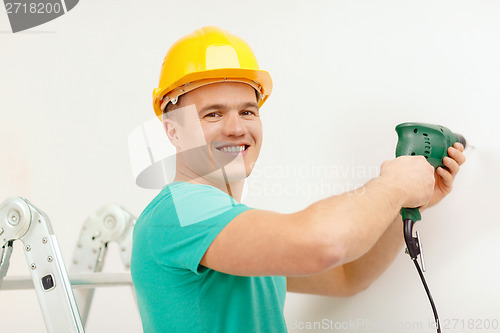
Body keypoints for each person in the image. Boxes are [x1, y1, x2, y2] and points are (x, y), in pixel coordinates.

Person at [130, 26, 466, 333]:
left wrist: (406, 203)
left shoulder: (234, 229)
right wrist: (394, 185)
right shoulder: (179, 213)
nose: (236, 127)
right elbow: (324, 243)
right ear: (173, 131)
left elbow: (349, 277)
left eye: (248, 111)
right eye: (213, 114)